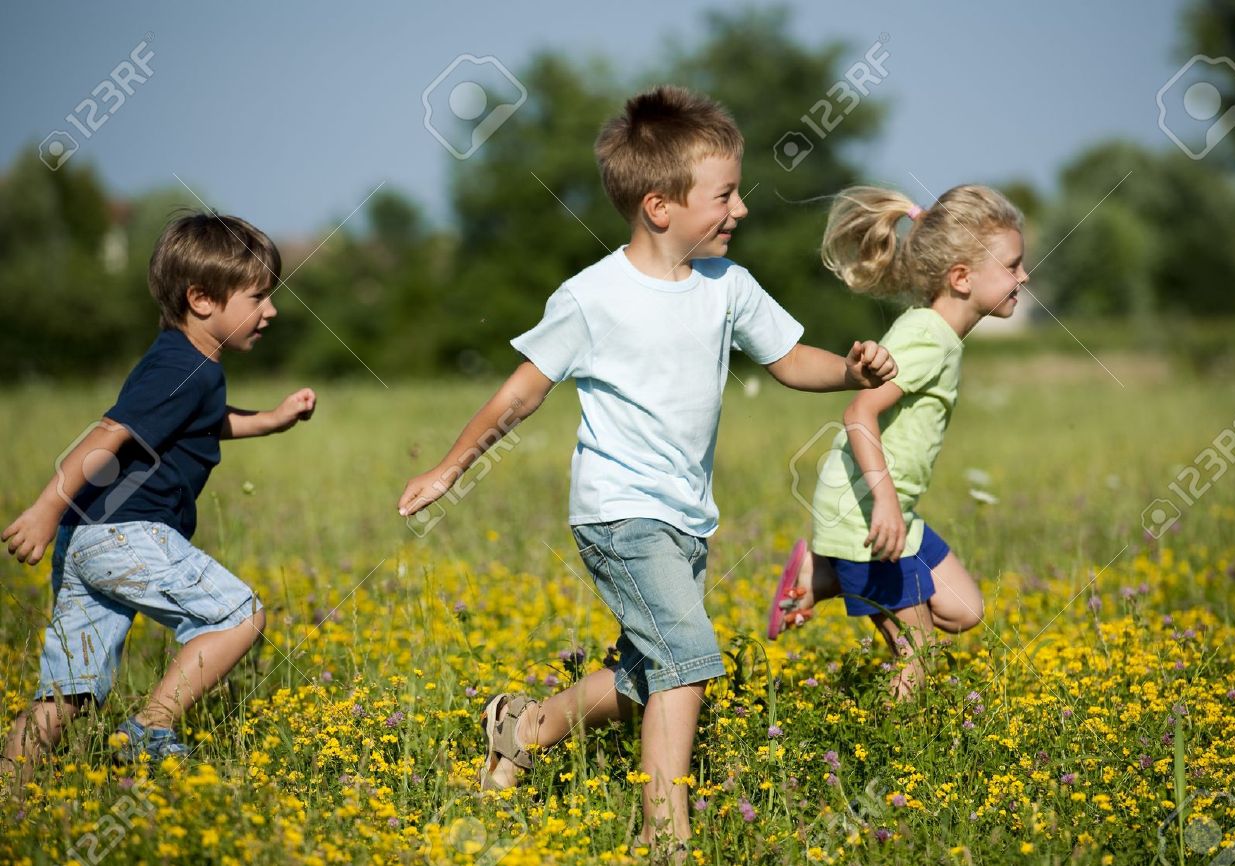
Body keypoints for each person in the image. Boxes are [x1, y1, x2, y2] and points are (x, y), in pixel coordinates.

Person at [397, 85, 897, 853]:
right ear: (660, 206)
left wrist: (853, 371)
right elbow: (521, 393)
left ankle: (525, 728)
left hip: (686, 517)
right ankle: (664, 837)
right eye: (725, 196)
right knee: (690, 662)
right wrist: (449, 468)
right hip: (619, 513)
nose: (741, 210)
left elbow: (792, 360)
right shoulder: (593, 298)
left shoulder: (728, 287)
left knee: (648, 674)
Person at [2, 212, 315, 782]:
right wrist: (45, 506)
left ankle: (12, 793)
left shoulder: (181, 361)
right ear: (202, 299)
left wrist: (269, 419)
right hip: (128, 532)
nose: (271, 311)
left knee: (70, 690)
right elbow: (107, 434)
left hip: (88, 537)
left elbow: (199, 423)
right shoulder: (187, 369)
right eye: (258, 297)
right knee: (239, 614)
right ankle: (151, 730)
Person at [768, 184, 1028, 701]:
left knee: (964, 610)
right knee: (919, 654)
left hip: (892, 511)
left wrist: (892, 505)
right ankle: (888, 767)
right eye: (1013, 265)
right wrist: (884, 502)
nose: (1024, 276)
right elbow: (859, 411)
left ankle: (818, 577)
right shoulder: (926, 337)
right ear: (961, 277)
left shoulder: (941, 337)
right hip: (868, 513)